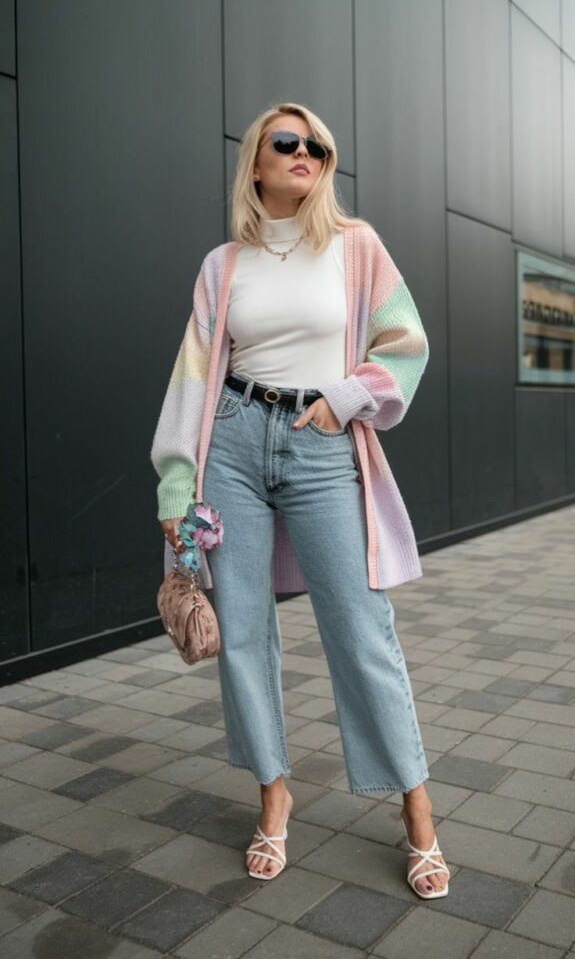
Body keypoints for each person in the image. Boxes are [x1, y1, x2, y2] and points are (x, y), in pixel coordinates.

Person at [151, 101, 450, 898]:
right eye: (286, 143)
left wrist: (344, 399)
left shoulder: (355, 248)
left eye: (317, 145)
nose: (305, 154)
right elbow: (191, 377)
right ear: (254, 162)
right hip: (234, 444)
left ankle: (415, 808)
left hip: (320, 443)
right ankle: (273, 794)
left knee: (360, 628)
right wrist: (177, 487)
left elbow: (405, 342)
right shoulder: (222, 266)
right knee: (244, 631)